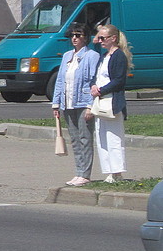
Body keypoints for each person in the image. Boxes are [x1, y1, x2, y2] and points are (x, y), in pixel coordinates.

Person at [51, 26, 100, 187]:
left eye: (78, 35)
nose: (74, 38)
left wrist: (89, 106)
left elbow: (93, 81)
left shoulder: (92, 56)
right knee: (75, 139)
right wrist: (56, 103)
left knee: (85, 138)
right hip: (68, 103)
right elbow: (60, 81)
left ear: (85, 37)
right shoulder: (67, 56)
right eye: (72, 35)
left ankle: (85, 174)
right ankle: (78, 172)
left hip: (83, 102)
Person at [87, 23, 132, 183]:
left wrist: (101, 90)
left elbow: (119, 80)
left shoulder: (119, 56)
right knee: (101, 136)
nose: (100, 41)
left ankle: (117, 172)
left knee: (114, 137)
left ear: (113, 39)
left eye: (103, 38)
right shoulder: (104, 56)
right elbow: (97, 75)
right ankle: (108, 171)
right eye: (99, 38)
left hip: (112, 102)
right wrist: (93, 85)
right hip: (100, 102)